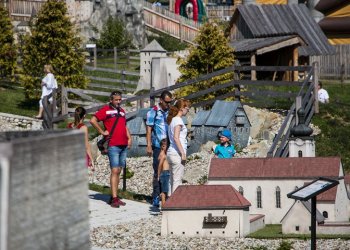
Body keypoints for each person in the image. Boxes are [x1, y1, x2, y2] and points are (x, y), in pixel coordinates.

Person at [90, 91, 132, 208]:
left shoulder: (122, 111)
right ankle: (114, 198)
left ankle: (115, 196)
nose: (119, 102)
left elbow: (124, 126)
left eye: (120, 100)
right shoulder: (105, 110)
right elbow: (93, 120)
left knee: (118, 170)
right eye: (116, 100)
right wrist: (102, 132)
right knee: (114, 170)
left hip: (123, 144)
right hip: (113, 144)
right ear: (111, 100)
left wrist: (129, 138)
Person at [146, 90, 173, 207]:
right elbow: (149, 130)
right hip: (158, 145)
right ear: (161, 100)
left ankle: (165, 195)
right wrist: (148, 145)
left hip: (170, 145)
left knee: (167, 171)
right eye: (166, 102)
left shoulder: (171, 112)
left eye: (170, 102)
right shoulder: (153, 112)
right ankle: (156, 195)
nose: (168, 104)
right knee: (158, 170)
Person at [167, 99, 191, 194]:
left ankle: (167, 204)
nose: (188, 110)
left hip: (171, 152)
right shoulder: (178, 121)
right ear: (182, 108)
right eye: (187, 108)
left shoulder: (172, 120)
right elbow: (176, 138)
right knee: (177, 181)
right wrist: (183, 154)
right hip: (177, 153)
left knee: (172, 180)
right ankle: (173, 206)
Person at [157, 138, 170, 208]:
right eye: (165, 146)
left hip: (166, 173)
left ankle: (164, 206)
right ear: (162, 147)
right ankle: (164, 207)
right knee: (164, 191)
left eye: (167, 146)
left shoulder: (162, 154)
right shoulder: (163, 155)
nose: (167, 147)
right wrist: (158, 175)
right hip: (165, 173)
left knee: (165, 190)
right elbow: (160, 165)